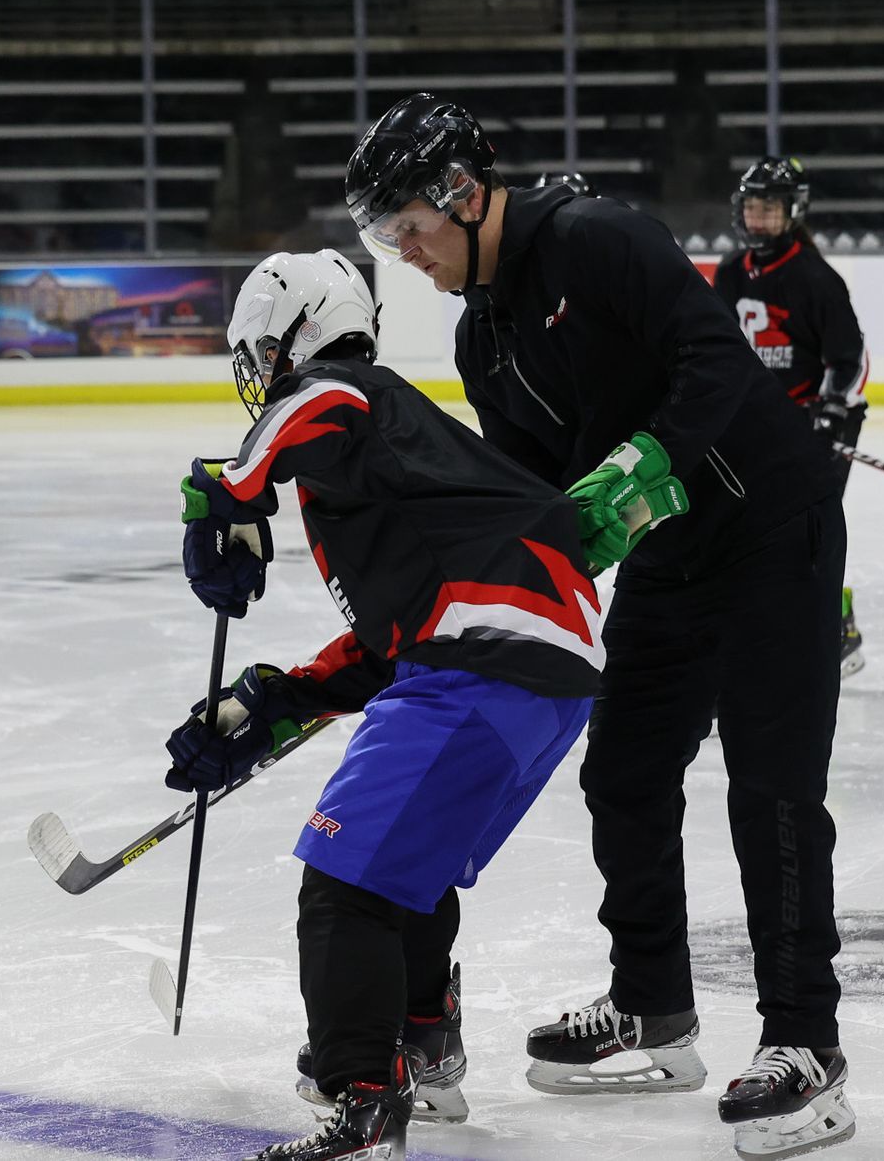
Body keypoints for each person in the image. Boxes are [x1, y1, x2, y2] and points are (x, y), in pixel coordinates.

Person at [344, 94, 857, 1161]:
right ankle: (654, 1006)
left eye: (409, 227)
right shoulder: (482, 333)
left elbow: (714, 361)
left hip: (772, 525)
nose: (407, 251)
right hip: (670, 556)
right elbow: (531, 487)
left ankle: (806, 1041)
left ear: (463, 192)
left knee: (771, 786)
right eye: (387, 237)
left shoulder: (598, 239)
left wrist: (648, 459)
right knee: (623, 770)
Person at [166, 249, 640, 1161]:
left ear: (299, 335)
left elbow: (322, 401)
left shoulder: (349, 399)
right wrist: (271, 701)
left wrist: (229, 490)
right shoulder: (387, 453)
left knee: (343, 881)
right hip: (536, 673)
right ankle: (424, 1036)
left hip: (490, 668)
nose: (257, 378)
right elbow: (396, 641)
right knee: (401, 868)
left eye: (264, 352)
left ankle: (364, 1097)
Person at [711, 156, 871, 678]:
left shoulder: (815, 278)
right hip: (758, 422)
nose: (758, 220)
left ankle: (836, 627)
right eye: (752, 208)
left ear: (794, 211)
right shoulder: (733, 272)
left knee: (808, 537)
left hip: (818, 423)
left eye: (769, 209)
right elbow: (718, 347)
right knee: (746, 534)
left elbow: (850, 359)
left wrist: (828, 413)